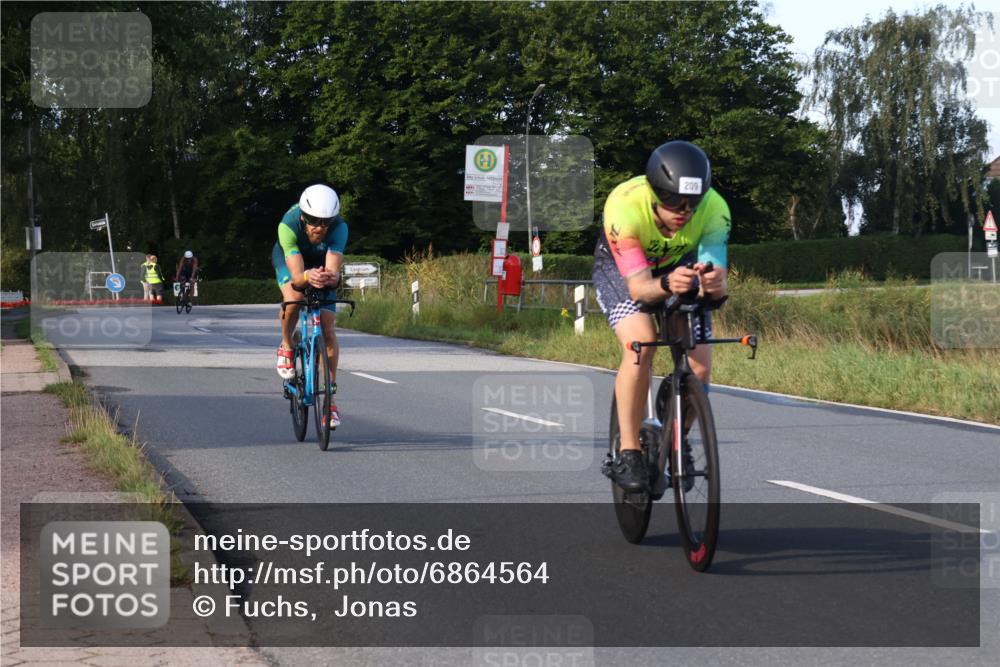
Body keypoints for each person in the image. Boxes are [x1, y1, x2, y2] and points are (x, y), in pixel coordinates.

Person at [592, 140, 731, 492]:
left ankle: (675, 438)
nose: (683, 211)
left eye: (692, 203)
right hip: (625, 272)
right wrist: (668, 282)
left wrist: (713, 283)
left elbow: (716, 284)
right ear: (654, 193)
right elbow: (640, 290)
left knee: (699, 364)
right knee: (641, 346)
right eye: (672, 202)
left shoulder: (716, 209)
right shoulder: (623, 207)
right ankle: (628, 451)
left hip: (678, 267)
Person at [272, 184, 348, 428]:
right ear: (303, 216)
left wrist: (331, 278)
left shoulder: (340, 228)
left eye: (326, 222)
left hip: (321, 263)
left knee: (328, 329)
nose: (320, 227)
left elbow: (335, 272)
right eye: (314, 221)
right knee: (293, 298)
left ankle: (330, 402)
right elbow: (296, 278)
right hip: (293, 262)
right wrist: (306, 277)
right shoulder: (288, 225)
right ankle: (286, 345)